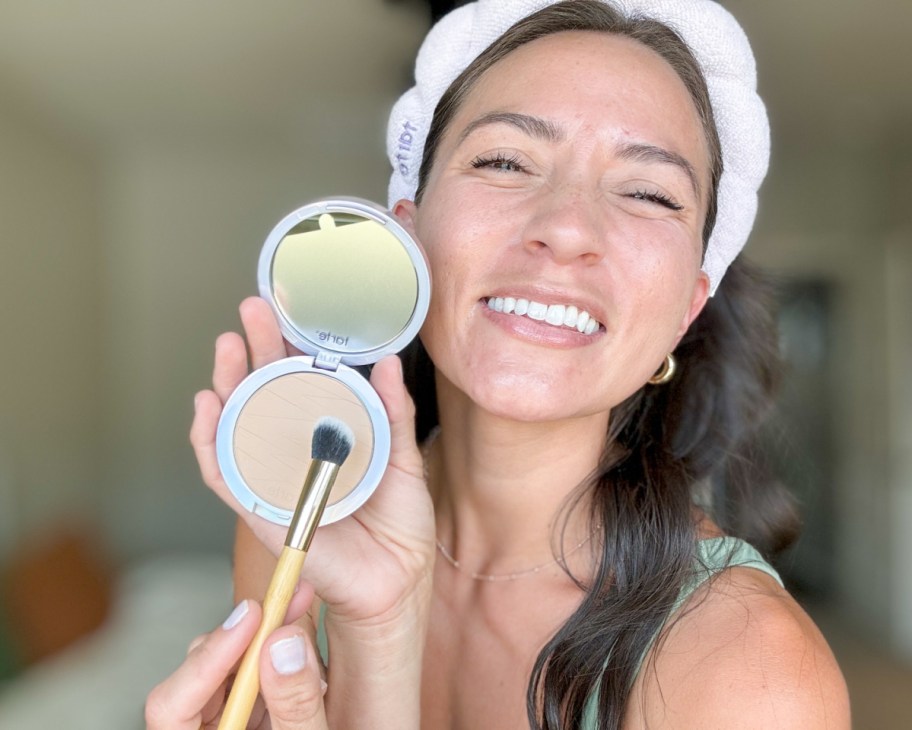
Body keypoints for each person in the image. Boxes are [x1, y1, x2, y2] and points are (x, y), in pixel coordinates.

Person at [146, 1, 850, 727]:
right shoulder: (305, 527)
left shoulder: (751, 671)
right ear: (409, 233)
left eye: (647, 192)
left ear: (686, 309)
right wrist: (374, 637)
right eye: (505, 161)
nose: (568, 227)